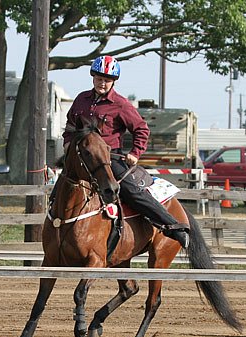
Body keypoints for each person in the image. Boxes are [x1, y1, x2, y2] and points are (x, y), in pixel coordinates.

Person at [62, 55, 190, 248]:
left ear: (113, 82)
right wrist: (68, 143)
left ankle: (173, 226)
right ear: (92, 78)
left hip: (109, 158)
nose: (102, 83)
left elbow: (141, 128)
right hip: (82, 157)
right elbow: (71, 126)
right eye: (99, 79)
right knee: (62, 186)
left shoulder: (120, 104)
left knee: (131, 191)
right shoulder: (81, 99)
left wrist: (135, 153)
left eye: (107, 80)